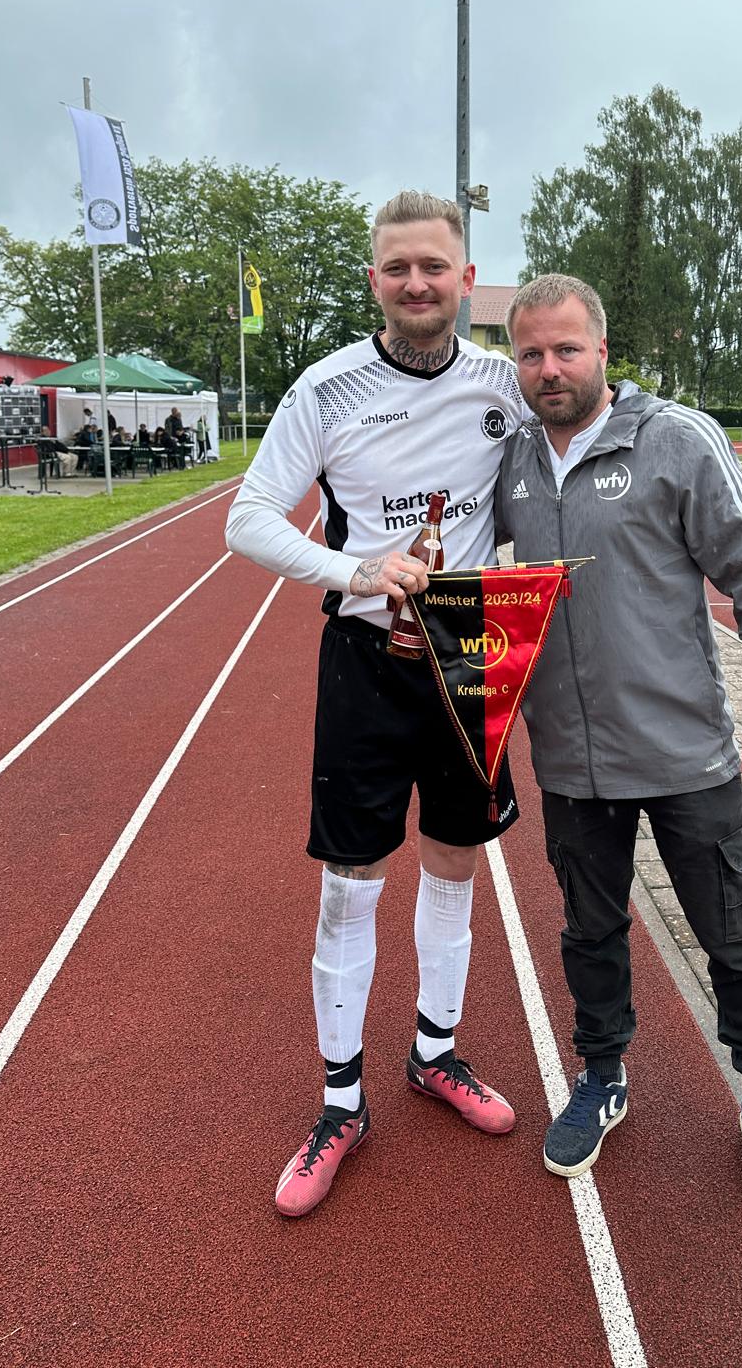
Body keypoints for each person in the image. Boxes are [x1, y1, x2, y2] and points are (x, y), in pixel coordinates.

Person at [226, 190, 525, 1219]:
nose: (416, 282)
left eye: (434, 266)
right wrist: (355, 570)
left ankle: (435, 1054)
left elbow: (585, 420)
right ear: (374, 281)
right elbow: (248, 518)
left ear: (466, 279)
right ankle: (341, 1103)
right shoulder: (327, 387)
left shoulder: (503, 382)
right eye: (398, 267)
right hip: (365, 657)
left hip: (469, 650)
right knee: (351, 881)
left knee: (455, 860)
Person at [496, 274, 742, 1222]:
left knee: (734, 936)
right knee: (589, 932)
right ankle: (603, 1075)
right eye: (531, 354)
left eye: (566, 349)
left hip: (684, 755)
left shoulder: (677, 439)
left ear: (602, 351)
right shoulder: (511, 459)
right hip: (570, 761)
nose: (550, 369)